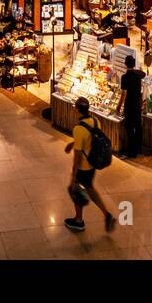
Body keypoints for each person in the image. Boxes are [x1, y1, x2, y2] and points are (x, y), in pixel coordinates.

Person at [64, 96, 117, 233]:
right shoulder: (95, 121)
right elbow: (90, 139)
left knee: (76, 191)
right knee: (90, 189)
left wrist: (73, 176)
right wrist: (72, 143)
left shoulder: (78, 129)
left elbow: (78, 156)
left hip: (84, 167)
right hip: (93, 163)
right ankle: (106, 215)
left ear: (77, 109)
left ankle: (79, 221)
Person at [119, 54, 145, 158]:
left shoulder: (124, 77)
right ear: (134, 64)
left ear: (125, 64)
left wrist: (118, 106)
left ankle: (131, 151)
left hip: (129, 105)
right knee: (138, 126)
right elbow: (143, 73)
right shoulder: (138, 74)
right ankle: (139, 149)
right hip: (137, 104)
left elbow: (124, 94)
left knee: (129, 128)